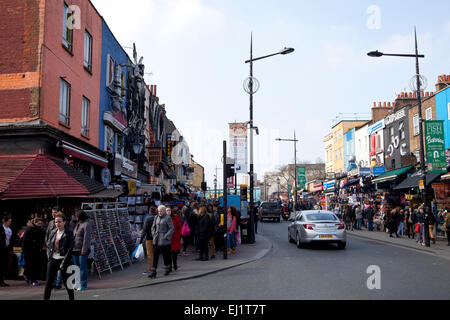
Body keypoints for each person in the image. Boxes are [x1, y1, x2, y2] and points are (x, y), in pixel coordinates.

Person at [44, 214, 74, 301]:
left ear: (64, 222)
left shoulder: (69, 233)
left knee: (67, 283)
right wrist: (50, 253)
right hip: (53, 259)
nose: (58, 224)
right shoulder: (53, 231)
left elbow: (70, 248)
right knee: (48, 283)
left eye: (60, 222)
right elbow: (48, 243)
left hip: (64, 260)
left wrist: (64, 262)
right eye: (56, 222)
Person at [149, 205, 174, 278]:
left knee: (165, 255)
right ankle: (153, 271)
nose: (159, 212)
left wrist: (166, 236)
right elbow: (153, 227)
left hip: (164, 240)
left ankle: (167, 269)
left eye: (161, 211)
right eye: (158, 211)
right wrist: (154, 234)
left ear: (164, 211)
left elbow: (172, 228)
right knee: (155, 256)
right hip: (156, 239)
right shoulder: (156, 217)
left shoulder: (167, 218)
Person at [72, 210, 92, 291]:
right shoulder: (78, 223)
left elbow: (86, 238)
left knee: (83, 268)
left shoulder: (87, 224)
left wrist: (84, 249)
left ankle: (83, 284)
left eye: (76, 216)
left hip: (82, 250)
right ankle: (76, 284)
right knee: (75, 268)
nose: (75, 217)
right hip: (75, 249)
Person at [22, 217, 45, 286]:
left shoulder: (41, 230)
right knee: (32, 265)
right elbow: (24, 241)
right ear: (35, 222)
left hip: (37, 250)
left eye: (41, 223)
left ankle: (28, 277)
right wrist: (24, 251)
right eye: (38, 223)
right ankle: (33, 280)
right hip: (29, 250)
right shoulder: (29, 230)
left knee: (35, 265)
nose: (40, 224)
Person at [140, 206, 157, 275]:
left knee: (150, 254)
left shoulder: (148, 219)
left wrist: (141, 239)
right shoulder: (158, 218)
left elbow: (144, 230)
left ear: (149, 211)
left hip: (149, 238)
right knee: (155, 254)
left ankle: (151, 269)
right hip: (157, 238)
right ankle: (154, 267)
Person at [167, 206, 182, 271]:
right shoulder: (163, 218)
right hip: (167, 238)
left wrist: (178, 236)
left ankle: (175, 264)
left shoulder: (175, 217)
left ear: (171, 211)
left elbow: (179, 227)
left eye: (169, 210)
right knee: (168, 253)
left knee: (174, 253)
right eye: (167, 210)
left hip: (175, 238)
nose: (168, 212)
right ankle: (169, 266)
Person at [0, 216, 12, 287]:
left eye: (10, 221)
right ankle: (1, 281)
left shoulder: (9, 229)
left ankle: (2, 280)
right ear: (4, 221)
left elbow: (9, 240)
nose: (10, 222)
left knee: (4, 264)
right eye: (9, 221)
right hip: (1, 248)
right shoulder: (1, 228)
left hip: (6, 248)